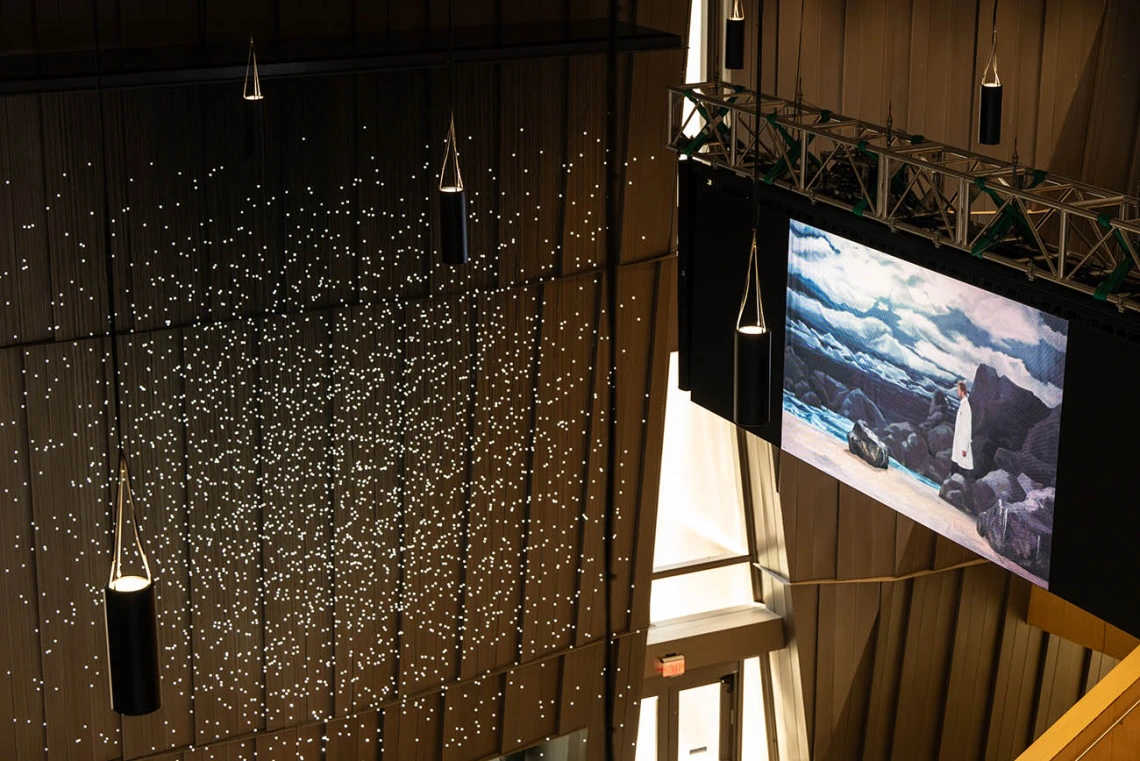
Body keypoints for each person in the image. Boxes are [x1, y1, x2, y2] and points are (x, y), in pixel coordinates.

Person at [951, 379, 974, 478]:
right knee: (955, 467)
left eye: (958, 390)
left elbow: (967, 427)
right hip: (958, 444)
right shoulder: (963, 405)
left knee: (959, 470)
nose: (957, 392)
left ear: (962, 391)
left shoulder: (966, 407)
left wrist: (964, 448)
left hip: (962, 446)